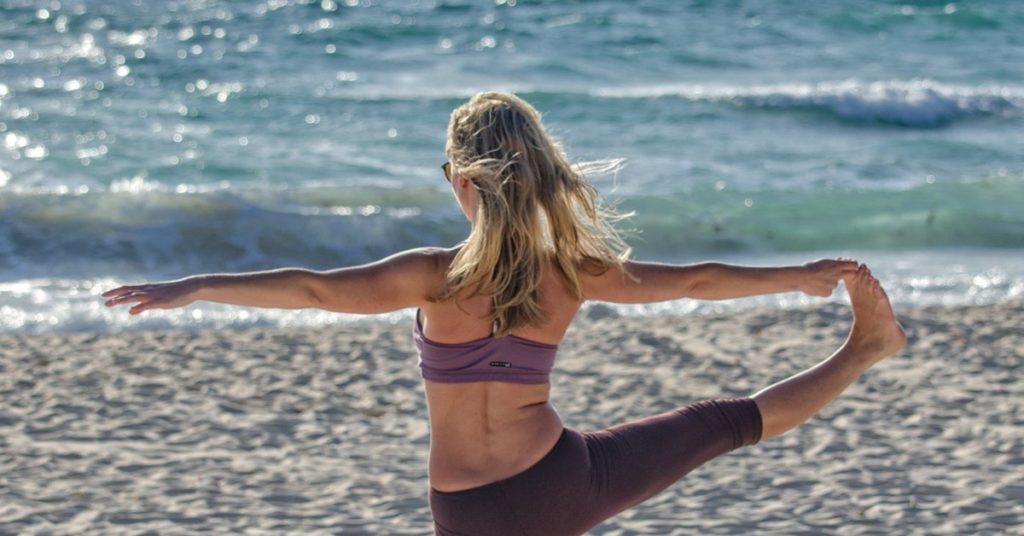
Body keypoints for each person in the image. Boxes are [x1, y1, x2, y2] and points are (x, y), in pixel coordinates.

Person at [103, 92, 906, 535]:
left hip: (462, 507)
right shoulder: (572, 275)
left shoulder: (430, 278)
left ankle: (866, 345)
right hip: (560, 485)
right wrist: (795, 276)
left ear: (459, 177)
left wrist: (197, 284)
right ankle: (864, 348)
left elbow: (313, 290)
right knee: (725, 421)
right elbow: (693, 280)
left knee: (721, 422)